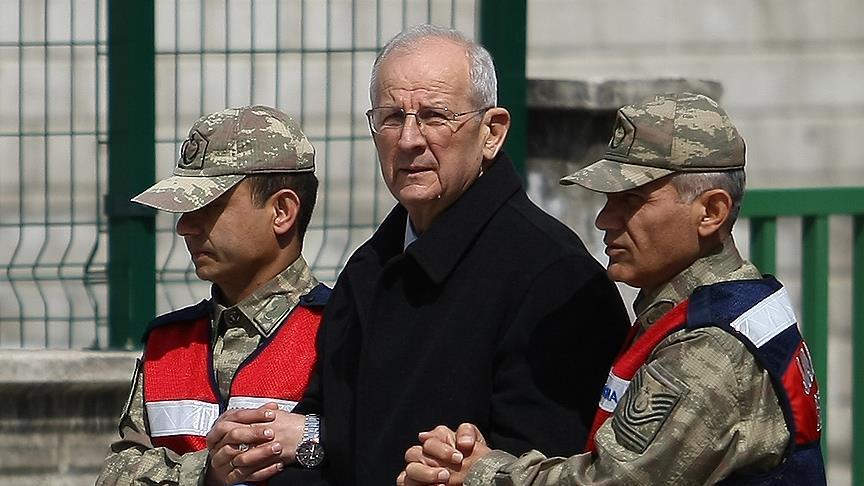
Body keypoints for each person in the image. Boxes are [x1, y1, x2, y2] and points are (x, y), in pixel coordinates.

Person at [399, 93, 826, 485]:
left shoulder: (708, 347)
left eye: (632, 201)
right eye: (608, 199)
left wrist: (480, 473)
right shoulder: (715, 306)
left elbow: (610, 481)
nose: (605, 220)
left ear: (711, 211)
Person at [270, 24, 630, 486]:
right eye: (391, 117)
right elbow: (329, 438)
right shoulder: (370, 269)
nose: (409, 140)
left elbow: (550, 467)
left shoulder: (556, 283)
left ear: (492, 133)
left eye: (435, 116)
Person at [97, 105, 331, 486]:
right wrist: (205, 473)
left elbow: (371, 453)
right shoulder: (167, 343)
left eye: (208, 206)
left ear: (282, 211)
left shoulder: (338, 331)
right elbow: (116, 473)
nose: (185, 227)